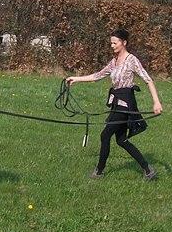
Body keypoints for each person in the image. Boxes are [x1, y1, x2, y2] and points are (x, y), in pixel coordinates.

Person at [66, 29, 163, 180]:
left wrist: (156, 102)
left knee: (105, 135)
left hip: (125, 104)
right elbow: (97, 76)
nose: (112, 45)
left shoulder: (131, 60)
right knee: (121, 140)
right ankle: (148, 170)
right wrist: (76, 79)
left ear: (124, 42)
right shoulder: (114, 61)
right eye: (111, 43)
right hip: (116, 103)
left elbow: (148, 79)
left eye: (115, 42)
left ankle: (99, 171)